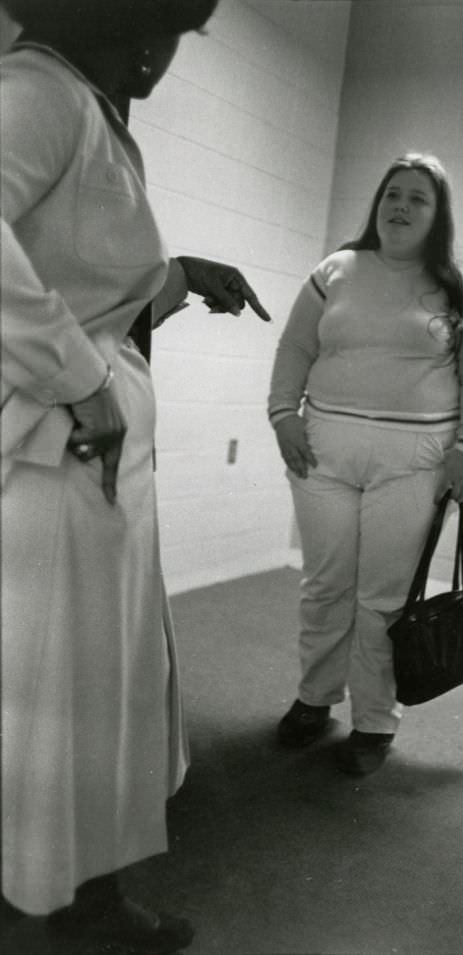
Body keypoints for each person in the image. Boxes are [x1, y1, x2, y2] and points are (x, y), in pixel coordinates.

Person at [0, 1, 271, 952]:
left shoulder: (82, 103)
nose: (168, 56)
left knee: (91, 691)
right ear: (120, 20)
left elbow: (78, 279)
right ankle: (69, 902)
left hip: (86, 457)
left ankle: (76, 891)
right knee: (63, 697)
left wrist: (179, 273)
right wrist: (81, 382)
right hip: (58, 455)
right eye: (168, 30)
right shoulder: (41, 95)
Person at [268, 152, 463, 776]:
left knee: (384, 600)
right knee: (325, 586)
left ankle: (374, 722)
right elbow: (295, 347)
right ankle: (314, 699)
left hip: (416, 462)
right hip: (321, 452)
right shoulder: (335, 271)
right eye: (392, 194)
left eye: (417, 199)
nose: (400, 206)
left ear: (437, 215)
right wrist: (283, 416)